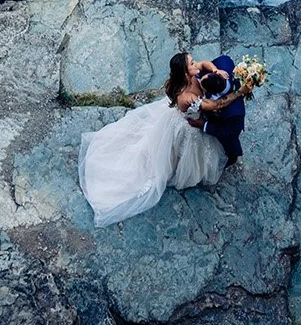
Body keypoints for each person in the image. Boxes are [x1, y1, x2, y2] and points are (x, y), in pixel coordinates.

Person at [77, 52, 238, 227]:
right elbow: (216, 105)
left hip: (180, 118)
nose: (196, 64)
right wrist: (240, 92)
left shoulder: (190, 74)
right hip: (189, 127)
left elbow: (205, 63)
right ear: (185, 72)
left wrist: (216, 71)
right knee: (182, 149)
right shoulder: (187, 97)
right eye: (192, 63)